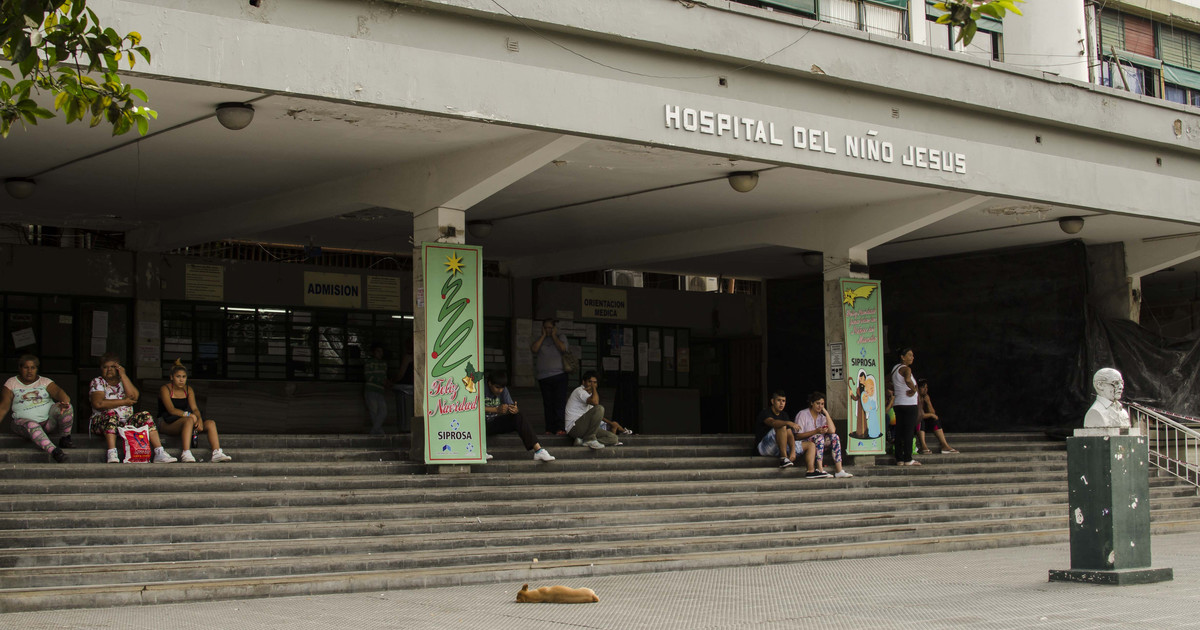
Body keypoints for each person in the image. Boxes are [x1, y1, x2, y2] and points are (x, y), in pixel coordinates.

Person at [90, 353, 176, 464]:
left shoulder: (123, 381)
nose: (109, 370)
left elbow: (134, 397)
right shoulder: (98, 382)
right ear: (101, 369)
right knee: (111, 414)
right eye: (105, 367)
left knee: (145, 415)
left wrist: (123, 375)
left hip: (125, 423)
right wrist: (124, 402)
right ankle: (112, 452)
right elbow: (98, 403)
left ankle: (159, 452)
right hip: (101, 422)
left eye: (113, 367)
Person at [0, 354, 73, 462]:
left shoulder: (44, 381)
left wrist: (65, 402)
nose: (29, 371)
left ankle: (65, 438)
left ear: (37, 369)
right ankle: (55, 452)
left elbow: (58, 392)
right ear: (20, 368)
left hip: (48, 423)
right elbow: (3, 407)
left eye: (33, 368)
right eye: (26, 367)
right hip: (23, 424)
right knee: (32, 425)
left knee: (67, 407)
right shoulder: (11, 383)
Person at [157, 359, 232, 462]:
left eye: (184, 377)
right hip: (167, 422)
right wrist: (189, 415)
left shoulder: (188, 389)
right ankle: (186, 452)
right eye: (178, 377)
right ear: (171, 377)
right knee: (189, 420)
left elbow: (195, 408)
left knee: (210, 423)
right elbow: (171, 410)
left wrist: (199, 419)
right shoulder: (165, 389)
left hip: (187, 421)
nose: (181, 380)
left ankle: (217, 452)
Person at [483, 372, 555, 462]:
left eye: (502, 388)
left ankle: (538, 451)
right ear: (489, 383)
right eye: (497, 387)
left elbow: (511, 405)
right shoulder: (480, 388)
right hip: (478, 424)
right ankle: (480, 451)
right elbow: (472, 408)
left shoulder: (503, 390)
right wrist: (496, 410)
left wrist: (514, 409)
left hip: (492, 423)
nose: (500, 390)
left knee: (518, 416)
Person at [754, 390, 819, 472]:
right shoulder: (765, 412)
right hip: (765, 448)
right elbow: (772, 422)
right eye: (779, 400)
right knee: (781, 426)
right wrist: (787, 422)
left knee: (811, 445)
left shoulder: (784, 415)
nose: (781, 403)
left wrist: (793, 451)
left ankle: (811, 471)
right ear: (772, 401)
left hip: (780, 447)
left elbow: (790, 434)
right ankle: (784, 458)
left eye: (783, 401)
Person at [793, 392, 853, 478]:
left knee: (835, 437)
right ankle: (820, 469)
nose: (820, 406)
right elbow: (797, 436)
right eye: (817, 403)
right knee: (819, 437)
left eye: (822, 404)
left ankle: (839, 470)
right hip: (806, 444)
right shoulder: (803, 414)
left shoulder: (822, 417)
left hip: (820, 444)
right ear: (811, 403)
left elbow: (832, 430)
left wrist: (826, 413)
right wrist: (816, 431)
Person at [531, 319, 570, 435]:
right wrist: (543, 336)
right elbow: (534, 349)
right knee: (548, 404)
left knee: (559, 403)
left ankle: (559, 428)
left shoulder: (561, 337)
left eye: (550, 327)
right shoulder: (539, 338)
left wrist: (554, 336)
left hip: (559, 375)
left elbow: (563, 348)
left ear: (554, 328)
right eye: (545, 327)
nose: (548, 330)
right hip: (544, 377)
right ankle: (549, 428)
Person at [564, 371, 620, 449]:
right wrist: (593, 388)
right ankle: (590, 439)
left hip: (586, 429)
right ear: (583, 382)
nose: (592, 384)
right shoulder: (580, 391)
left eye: (595, 383)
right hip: (574, 428)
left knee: (613, 438)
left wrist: (611, 423)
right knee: (599, 408)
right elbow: (596, 403)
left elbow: (596, 416)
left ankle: (582, 442)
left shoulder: (590, 395)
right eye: (590, 382)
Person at [889, 347, 920, 466]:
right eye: (910, 355)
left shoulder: (895, 369)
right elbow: (907, 380)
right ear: (902, 357)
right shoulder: (907, 369)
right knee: (908, 432)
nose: (912, 357)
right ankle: (908, 458)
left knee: (899, 431)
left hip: (898, 403)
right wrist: (914, 389)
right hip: (909, 404)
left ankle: (899, 459)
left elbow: (888, 381)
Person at [916, 379, 958, 454]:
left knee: (935, 420)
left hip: (924, 423)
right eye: (923, 387)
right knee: (920, 421)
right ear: (918, 388)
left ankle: (944, 445)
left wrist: (928, 402)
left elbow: (933, 413)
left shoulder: (926, 397)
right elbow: (919, 415)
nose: (925, 389)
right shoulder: (915, 397)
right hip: (914, 423)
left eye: (926, 387)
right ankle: (923, 446)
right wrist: (931, 415)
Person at [364, 342, 391, 436]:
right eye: (378, 351)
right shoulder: (369, 362)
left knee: (383, 412)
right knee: (374, 412)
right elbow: (368, 376)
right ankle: (379, 432)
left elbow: (384, 376)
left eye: (381, 351)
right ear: (373, 352)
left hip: (380, 391)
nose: (380, 353)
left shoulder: (384, 364)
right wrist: (381, 380)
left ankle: (374, 432)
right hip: (371, 390)